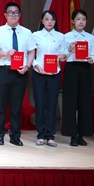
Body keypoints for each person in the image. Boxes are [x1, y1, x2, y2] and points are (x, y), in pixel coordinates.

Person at [0, 2, 36, 146]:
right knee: (1, 105)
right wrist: (5, 54)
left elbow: (31, 51)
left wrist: (27, 66)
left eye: (16, 12)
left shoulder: (27, 32)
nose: (13, 15)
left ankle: (15, 136)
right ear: (5, 15)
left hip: (20, 72)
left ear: (19, 15)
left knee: (16, 106)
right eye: (10, 12)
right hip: (4, 71)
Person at [31, 10, 66, 147]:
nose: (50, 22)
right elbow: (30, 54)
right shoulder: (35, 35)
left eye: (52, 19)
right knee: (40, 103)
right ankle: (40, 134)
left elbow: (64, 53)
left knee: (52, 104)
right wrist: (36, 65)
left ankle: (50, 135)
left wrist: (63, 56)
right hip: (39, 73)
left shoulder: (61, 36)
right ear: (42, 21)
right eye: (47, 19)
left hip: (54, 74)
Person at [62, 9, 94, 147]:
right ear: (72, 21)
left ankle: (82, 134)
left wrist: (91, 59)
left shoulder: (90, 37)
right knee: (70, 101)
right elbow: (62, 56)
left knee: (84, 101)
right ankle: (72, 135)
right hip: (71, 68)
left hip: (85, 69)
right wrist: (69, 49)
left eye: (83, 19)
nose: (81, 22)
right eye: (78, 19)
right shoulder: (67, 36)